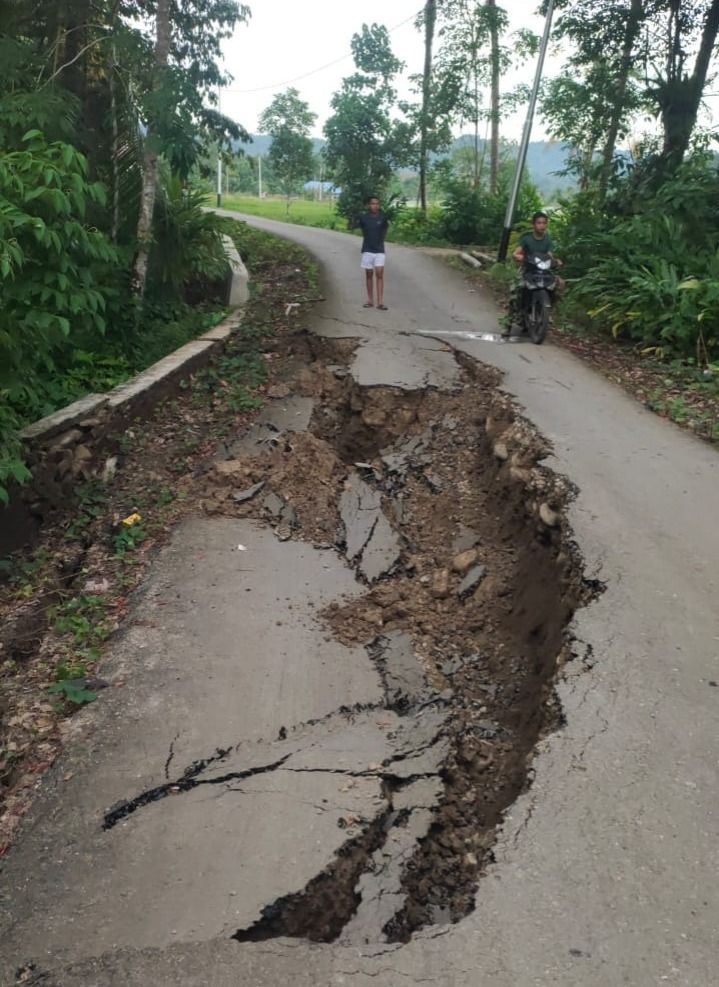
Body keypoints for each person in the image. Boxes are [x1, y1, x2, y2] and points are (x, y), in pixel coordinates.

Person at [505, 210, 564, 335]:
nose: (542, 225)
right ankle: (507, 324)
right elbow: (517, 252)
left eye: (544, 223)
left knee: (559, 284)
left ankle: (546, 310)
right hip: (527, 269)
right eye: (539, 223)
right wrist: (518, 256)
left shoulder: (548, 240)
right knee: (515, 290)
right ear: (534, 224)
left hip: (543, 270)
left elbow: (550, 255)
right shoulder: (526, 239)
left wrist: (555, 261)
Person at [358, 195, 389, 310]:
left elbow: (385, 229)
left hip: (379, 250)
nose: (375, 206)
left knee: (379, 273)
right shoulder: (363, 217)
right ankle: (370, 300)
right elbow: (363, 229)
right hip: (367, 249)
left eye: (377, 204)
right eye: (372, 203)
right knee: (369, 274)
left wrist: (380, 240)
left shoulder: (383, 217)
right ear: (368, 205)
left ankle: (380, 302)